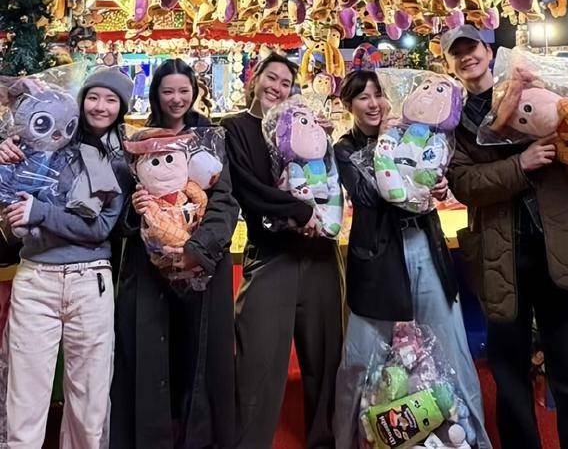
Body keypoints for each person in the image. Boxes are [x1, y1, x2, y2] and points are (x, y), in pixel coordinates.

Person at [442, 24, 568, 449]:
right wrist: (520, 165)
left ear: (488, 51)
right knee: (510, 373)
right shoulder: (451, 119)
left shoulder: (543, 87)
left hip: (559, 247)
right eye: (457, 52)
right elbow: (464, 183)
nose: (467, 57)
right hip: (500, 256)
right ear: (450, 64)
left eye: (472, 47)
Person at [332, 70, 491, 448]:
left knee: (453, 346)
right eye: (363, 97)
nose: (374, 104)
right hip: (377, 257)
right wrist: (392, 151)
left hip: (424, 245)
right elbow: (368, 196)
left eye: (379, 94)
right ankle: (347, 440)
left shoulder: (421, 134)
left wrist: (438, 183)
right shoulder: (344, 148)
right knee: (360, 357)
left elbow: (433, 177)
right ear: (348, 105)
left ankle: (474, 439)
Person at [0, 66, 133, 448]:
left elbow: (99, 227)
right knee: (23, 401)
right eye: (93, 96)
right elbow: (11, 197)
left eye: (111, 99)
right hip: (36, 279)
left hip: (90, 282)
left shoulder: (118, 160)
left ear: (122, 108)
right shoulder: (45, 141)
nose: (100, 106)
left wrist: (41, 213)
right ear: (80, 100)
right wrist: (5, 149)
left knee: (89, 407)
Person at [110, 58, 239, 449]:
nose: (177, 98)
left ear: (194, 92)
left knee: (199, 358)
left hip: (202, 265)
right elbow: (120, 209)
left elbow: (225, 200)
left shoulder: (209, 140)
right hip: (150, 266)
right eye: (168, 91)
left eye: (184, 90)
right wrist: (137, 210)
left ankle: (200, 439)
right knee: (151, 357)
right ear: (156, 93)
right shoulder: (140, 139)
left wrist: (196, 250)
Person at [222, 52, 343, 449]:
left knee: (325, 362)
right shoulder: (235, 128)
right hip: (271, 256)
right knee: (257, 365)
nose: (276, 87)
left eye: (286, 83)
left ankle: (324, 441)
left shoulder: (303, 125)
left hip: (320, 256)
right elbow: (248, 189)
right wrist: (299, 211)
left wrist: (324, 141)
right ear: (254, 80)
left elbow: (330, 180)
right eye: (270, 78)